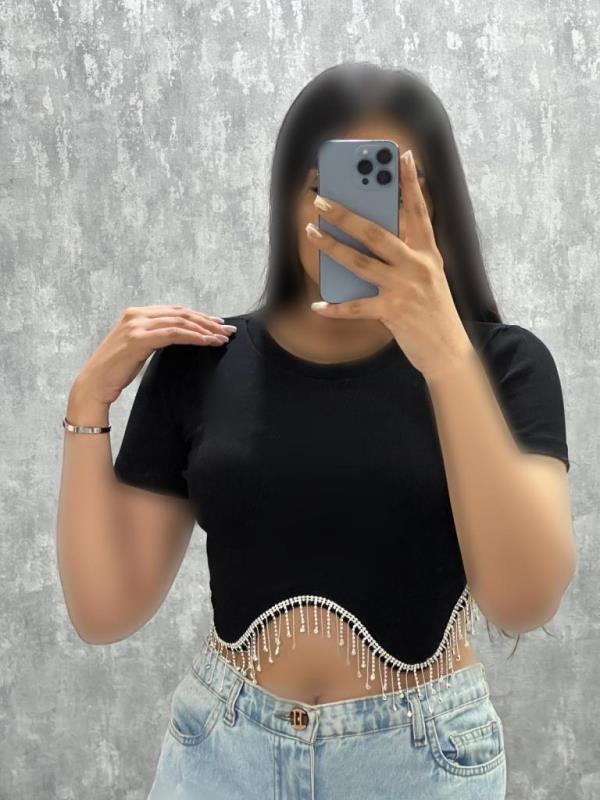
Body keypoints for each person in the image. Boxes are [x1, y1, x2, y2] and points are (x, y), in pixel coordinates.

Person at [57, 63, 575, 800]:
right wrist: (88, 403)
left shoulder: (504, 365)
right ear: (290, 200)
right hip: (220, 755)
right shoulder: (202, 361)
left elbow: (524, 600)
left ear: (434, 205)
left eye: (387, 186)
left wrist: (444, 353)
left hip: (423, 764)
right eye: (329, 185)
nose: (356, 217)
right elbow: (104, 611)